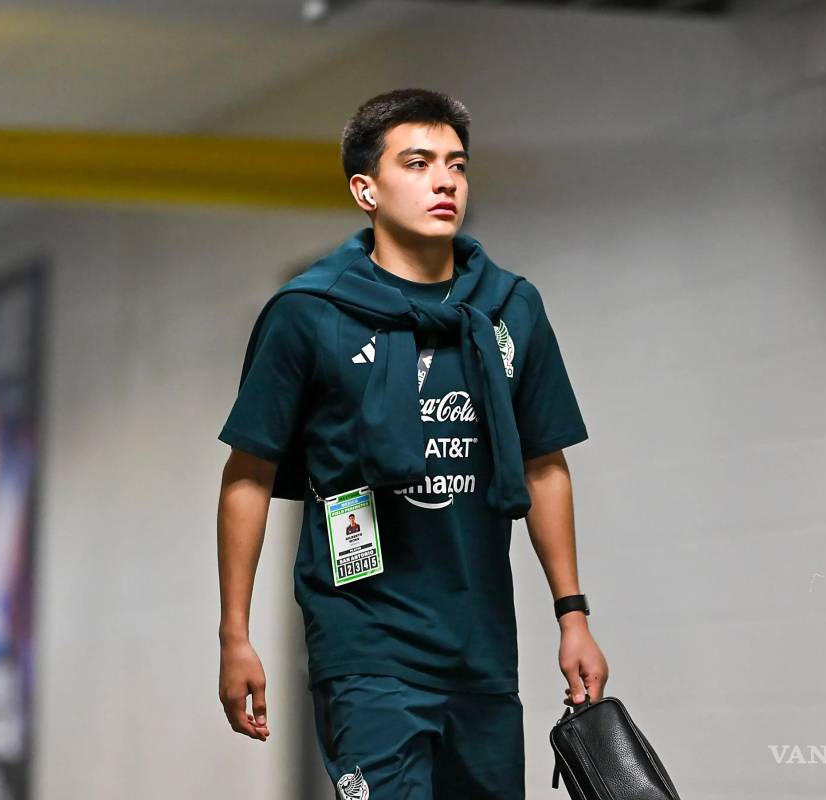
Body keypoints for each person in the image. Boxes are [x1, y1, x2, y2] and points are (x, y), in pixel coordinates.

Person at [215, 87, 608, 799]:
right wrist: (234, 635)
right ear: (365, 190)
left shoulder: (511, 309)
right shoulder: (309, 312)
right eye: (418, 163)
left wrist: (572, 614)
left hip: (481, 649)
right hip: (364, 645)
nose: (444, 181)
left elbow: (544, 464)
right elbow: (248, 474)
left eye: (456, 165)